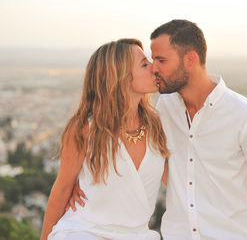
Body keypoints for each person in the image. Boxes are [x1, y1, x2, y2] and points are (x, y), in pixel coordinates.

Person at [70, 20, 247, 239]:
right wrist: (84, 189)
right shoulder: (165, 108)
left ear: (190, 59)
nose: (154, 68)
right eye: (151, 60)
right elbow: (157, 165)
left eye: (161, 60)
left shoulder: (245, 116)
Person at [40, 38, 169, 240]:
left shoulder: (159, 125)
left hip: (137, 235)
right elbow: (63, 188)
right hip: (83, 231)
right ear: (121, 76)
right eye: (145, 64)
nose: (154, 68)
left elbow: (180, 183)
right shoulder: (85, 128)